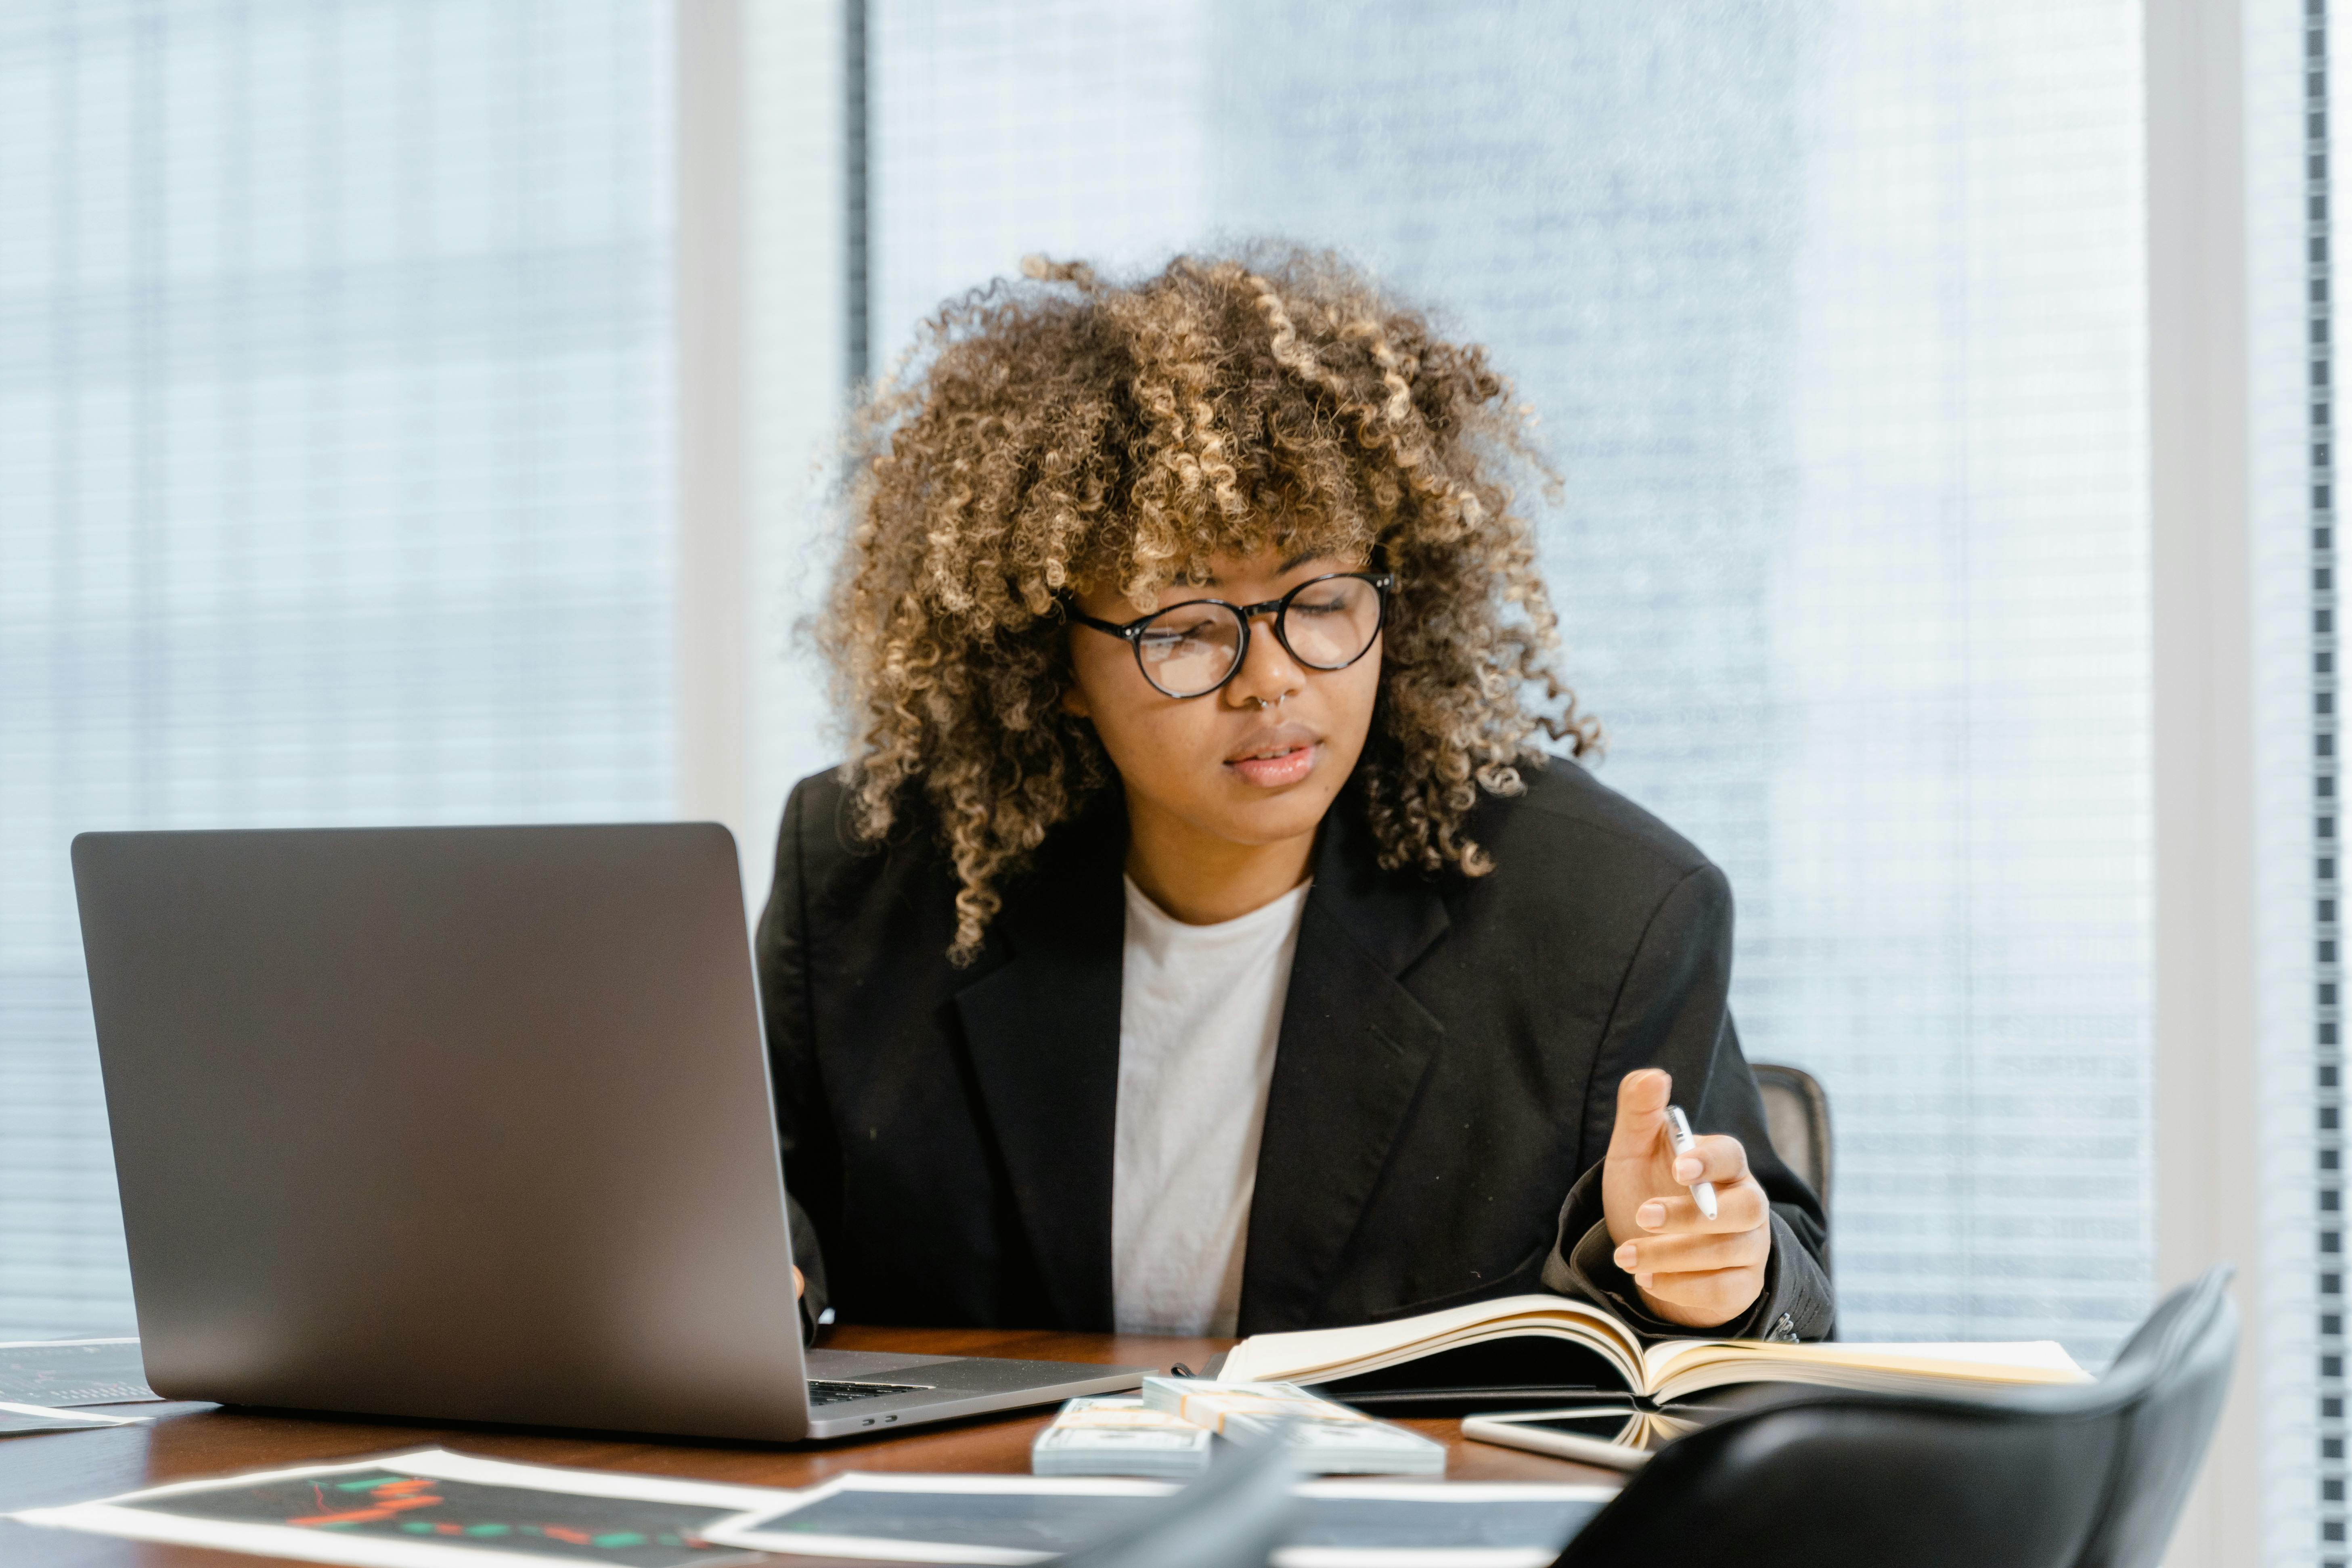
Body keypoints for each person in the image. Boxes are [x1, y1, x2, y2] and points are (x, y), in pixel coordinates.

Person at [758, 248, 1832, 1345]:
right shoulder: (870, 876)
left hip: (1402, 1508)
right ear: (1050, 665)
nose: (1272, 678)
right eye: (1182, 627)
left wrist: (1712, 1278)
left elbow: (1771, 1275)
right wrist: (760, 1260)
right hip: (971, 1506)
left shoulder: (1603, 911)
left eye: (1319, 599)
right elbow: (751, 1201)